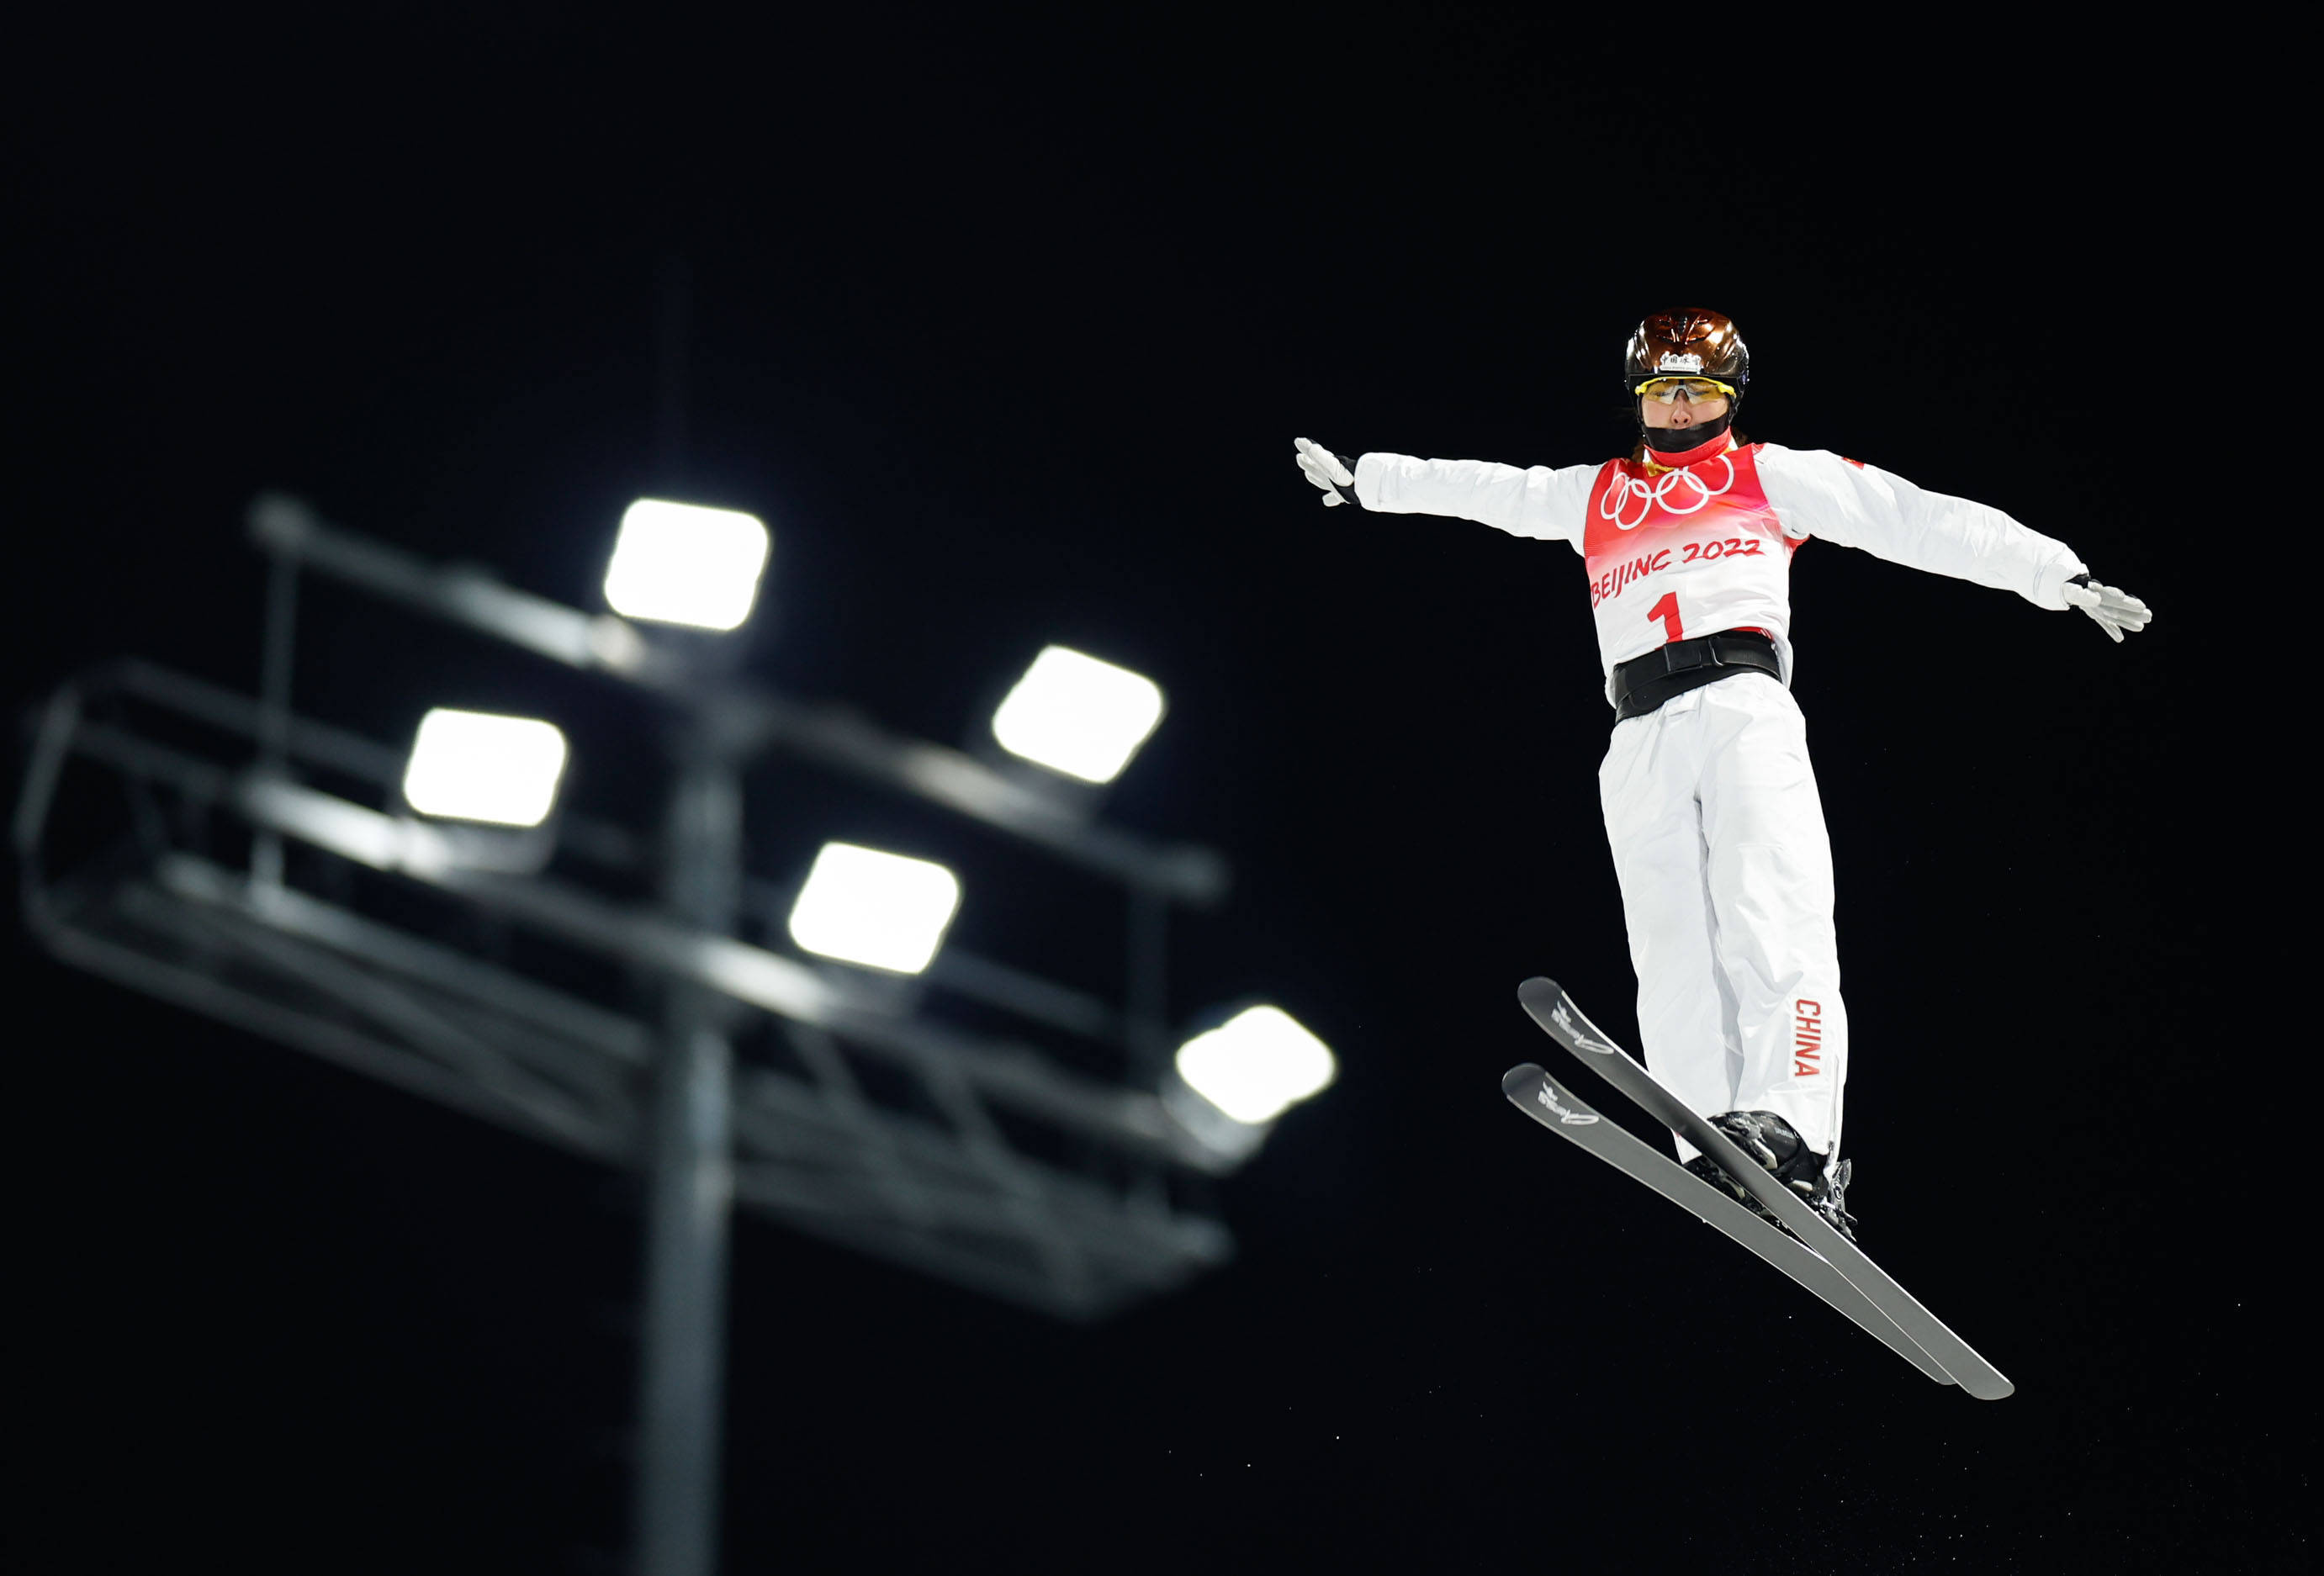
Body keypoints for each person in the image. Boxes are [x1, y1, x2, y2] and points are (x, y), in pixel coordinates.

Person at [1293, 308, 2150, 1240]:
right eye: (1664, 391)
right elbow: (1494, 490)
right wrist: (1366, 483)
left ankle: (1796, 1130)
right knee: (1670, 944)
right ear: (1639, 397)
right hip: (1638, 729)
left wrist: (2055, 575)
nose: (1679, 407)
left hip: (1741, 704)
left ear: (1730, 395)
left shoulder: (1768, 473)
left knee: (1768, 908)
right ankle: (1712, 1137)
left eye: (1698, 389)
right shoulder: (1598, 495)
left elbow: (1914, 517)